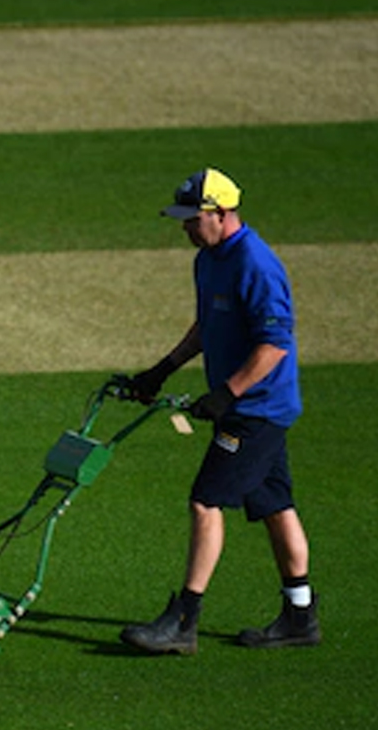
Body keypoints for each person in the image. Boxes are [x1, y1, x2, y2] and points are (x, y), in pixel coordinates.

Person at [119, 167, 321, 655]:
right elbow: (206, 326)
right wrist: (160, 370)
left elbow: (275, 343)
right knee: (275, 506)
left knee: (206, 501)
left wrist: (228, 393)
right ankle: (300, 616)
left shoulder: (256, 263)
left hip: (258, 410)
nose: (186, 228)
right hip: (249, 406)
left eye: (194, 218)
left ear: (223, 213)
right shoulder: (208, 259)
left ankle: (184, 621)